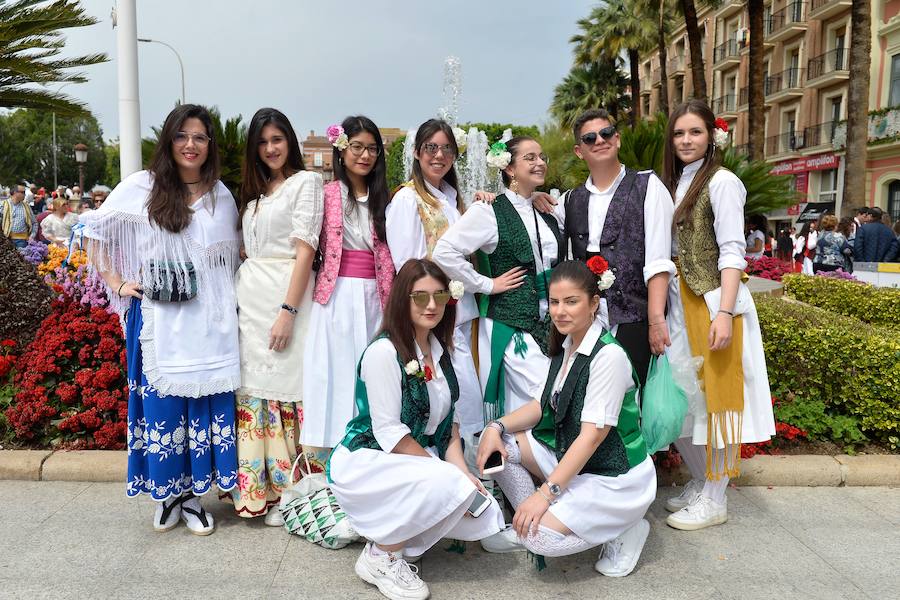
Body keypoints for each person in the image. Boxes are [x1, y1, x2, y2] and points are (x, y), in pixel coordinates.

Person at [80, 104, 241, 535]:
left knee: (199, 408)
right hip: (157, 321)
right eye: (182, 136)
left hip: (207, 324)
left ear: (210, 146)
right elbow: (92, 232)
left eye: (200, 137)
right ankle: (168, 494)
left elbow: (231, 260)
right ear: (170, 141)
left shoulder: (221, 196)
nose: (191, 145)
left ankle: (193, 498)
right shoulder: (141, 187)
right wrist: (116, 281)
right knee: (164, 409)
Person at [328, 259, 504, 600]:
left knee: (482, 511)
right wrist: (445, 474)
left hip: (415, 457)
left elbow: (448, 429)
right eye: (420, 297)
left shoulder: (439, 350)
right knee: (448, 486)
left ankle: (394, 534)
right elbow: (390, 433)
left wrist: (464, 474)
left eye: (439, 295)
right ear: (402, 300)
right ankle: (380, 556)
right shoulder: (384, 352)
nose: (432, 305)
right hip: (369, 459)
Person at [476, 260, 656, 575]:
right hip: (575, 462)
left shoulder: (608, 357)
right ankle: (531, 517)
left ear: (594, 304)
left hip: (613, 476)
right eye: (556, 302)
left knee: (540, 541)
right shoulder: (568, 343)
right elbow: (541, 404)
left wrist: (543, 495)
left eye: (571, 301)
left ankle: (625, 528)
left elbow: (592, 437)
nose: (560, 311)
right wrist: (496, 426)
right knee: (497, 445)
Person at [660, 99, 775, 531]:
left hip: (711, 302)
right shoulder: (674, 182)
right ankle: (702, 479)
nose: (686, 141)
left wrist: (724, 312)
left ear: (712, 136)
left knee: (716, 401)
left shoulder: (723, 181)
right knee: (680, 400)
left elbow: (732, 250)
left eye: (695, 132)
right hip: (677, 303)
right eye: (679, 133)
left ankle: (715, 497)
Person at [231, 108, 324, 524]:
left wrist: (288, 311)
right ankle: (261, 489)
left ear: (290, 141)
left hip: (286, 294)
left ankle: (297, 488)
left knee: (289, 387)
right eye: (263, 141)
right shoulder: (253, 194)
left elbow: (306, 250)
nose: (271, 148)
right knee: (255, 391)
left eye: (277, 139)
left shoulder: (306, 183)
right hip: (249, 300)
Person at [434, 136, 562, 425]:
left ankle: (530, 462)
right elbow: (445, 251)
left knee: (534, 399)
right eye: (530, 158)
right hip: (509, 322)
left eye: (542, 157)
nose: (540, 162)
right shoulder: (489, 211)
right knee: (545, 392)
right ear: (509, 169)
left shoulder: (547, 210)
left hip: (549, 323)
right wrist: (486, 284)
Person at [300, 116, 394, 469]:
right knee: (334, 368)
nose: (365, 155)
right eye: (357, 147)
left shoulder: (387, 197)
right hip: (336, 294)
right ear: (342, 149)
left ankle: (371, 448)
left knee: (372, 368)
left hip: (377, 295)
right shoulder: (326, 195)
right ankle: (331, 455)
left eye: (372, 148)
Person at [385, 118, 483, 438]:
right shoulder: (406, 199)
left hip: (459, 306)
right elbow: (406, 265)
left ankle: (469, 449)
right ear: (416, 152)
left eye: (446, 149)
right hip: (432, 308)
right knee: (447, 378)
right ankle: (451, 448)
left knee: (463, 375)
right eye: (431, 148)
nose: (438, 155)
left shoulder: (453, 199)